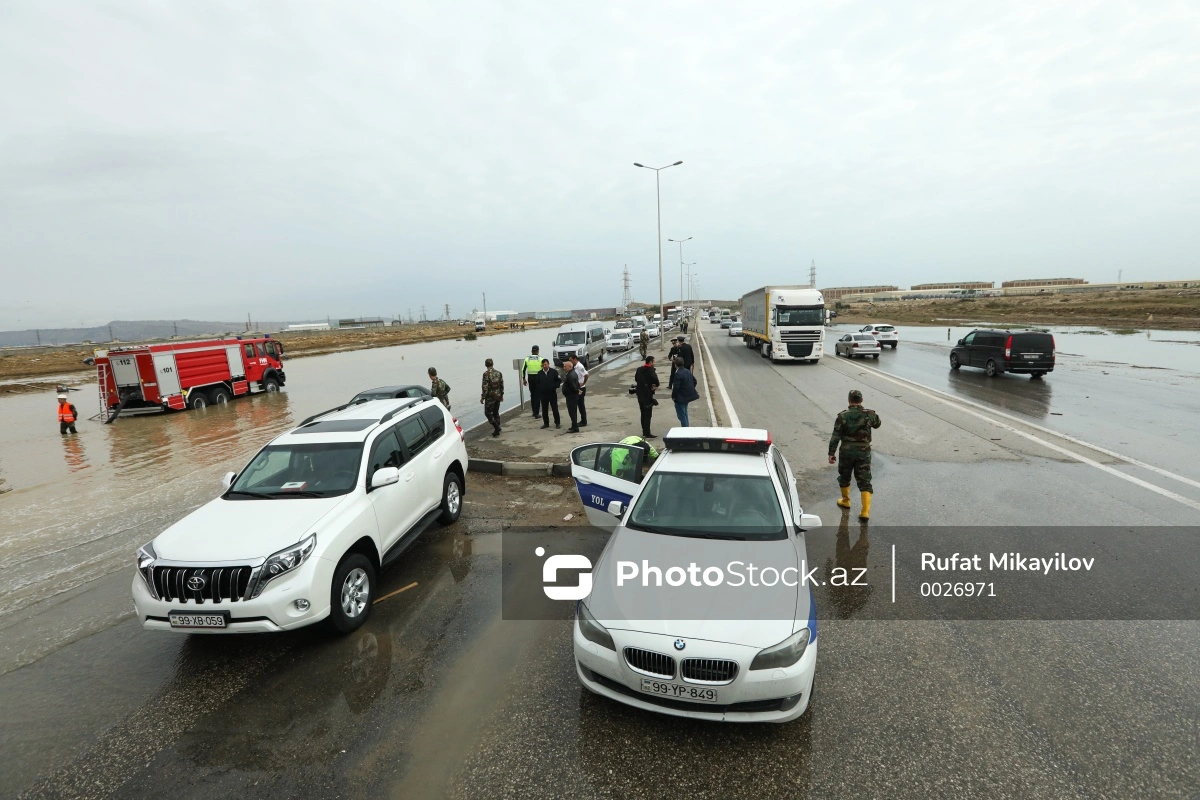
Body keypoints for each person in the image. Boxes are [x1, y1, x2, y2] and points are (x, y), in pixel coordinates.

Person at [827, 389, 882, 520]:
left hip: (846, 451)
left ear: (849, 401)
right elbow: (878, 424)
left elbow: (836, 436)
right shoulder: (869, 414)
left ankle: (846, 500)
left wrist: (831, 453)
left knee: (845, 476)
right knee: (864, 479)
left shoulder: (842, 416)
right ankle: (865, 512)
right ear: (861, 400)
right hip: (863, 452)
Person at [633, 355, 660, 438]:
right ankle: (647, 433)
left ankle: (644, 431)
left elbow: (636, 379)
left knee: (643, 413)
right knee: (648, 414)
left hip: (640, 394)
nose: (654, 363)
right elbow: (656, 381)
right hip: (648, 394)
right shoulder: (651, 370)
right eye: (654, 361)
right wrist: (653, 385)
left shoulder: (639, 369)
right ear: (650, 362)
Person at [670, 356, 699, 427]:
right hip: (687, 396)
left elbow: (676, 387)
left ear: (675, 365)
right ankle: (687, 428)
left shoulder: (678, 374)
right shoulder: (687, 371)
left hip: (680, 398)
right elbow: (694, 381)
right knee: (685, 413)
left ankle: (685, 431)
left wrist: (673, 396)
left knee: (681, 416)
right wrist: (689, 389)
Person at [480, 358, 504, 436]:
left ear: (486, 365)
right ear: (492, 364)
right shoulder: (499, 373)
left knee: (487, 413)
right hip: (498, 395)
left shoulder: (486, 374)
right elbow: (501, 385)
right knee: (496, 412)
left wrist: (483, 397)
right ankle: (497, 428)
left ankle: (496, 427)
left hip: (490, 397)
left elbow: (485, 387)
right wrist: (501, 395)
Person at [537, 358, 561, 429]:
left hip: (552, 393)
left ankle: (557, 423)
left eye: (546, 364)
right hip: (543, 394)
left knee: (555, 408)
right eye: (543, 365)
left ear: (548, 364)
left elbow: (559, 380)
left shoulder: (554, 372)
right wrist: (540, 388)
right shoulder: (539, 373)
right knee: (544, 409)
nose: (545, 366)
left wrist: (555, 386)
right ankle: (546, 423)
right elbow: (537, 383)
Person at [522, 345, 544, 419]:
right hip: (538, 378)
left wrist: (523, 379)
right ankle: (537, 413)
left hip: (530, 378)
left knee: (532, 395)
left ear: (531, 351)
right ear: (538, 351)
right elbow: (544, 368)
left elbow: (523, 370)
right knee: (538, 395)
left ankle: (534, 412)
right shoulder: (541, 359)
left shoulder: (527, 359)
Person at [569, 354, 589, 427]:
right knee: (579, 405)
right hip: (578, 387)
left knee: (581, 405)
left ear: (575, 359)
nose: (570, 361)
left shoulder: (580, 366)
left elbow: (586, 375)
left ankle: (584, 421)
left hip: (581, 388)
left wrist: (583, 383)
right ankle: (582, 420)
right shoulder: (575, 366)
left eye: (571, 360)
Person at [562, 359, 583, 433]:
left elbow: (573, 386)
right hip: (572, 396)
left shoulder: (570, 375)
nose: (563, 368)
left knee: (572, 412)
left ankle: (575, 427)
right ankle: (574, 426)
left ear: (570, 367)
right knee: (573, 412)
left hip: (571, 396)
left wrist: (577, 390)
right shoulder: (573, 373)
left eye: (565, 366)